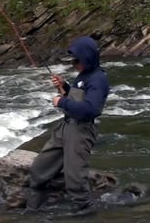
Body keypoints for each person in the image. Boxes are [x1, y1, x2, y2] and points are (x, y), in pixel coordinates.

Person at [26, 36, 110, 213]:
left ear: (87, 58)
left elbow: (91, 109)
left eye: (77, 60)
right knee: (40, 167)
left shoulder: (98, 79)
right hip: (65, 127)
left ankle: (87, 214)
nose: (74, 63)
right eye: (72, 60)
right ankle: (34, 208)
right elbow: (78, 96)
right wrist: (64, 86)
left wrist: (61, 103)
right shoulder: (83, 76)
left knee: (75, 179)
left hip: (81, 131)